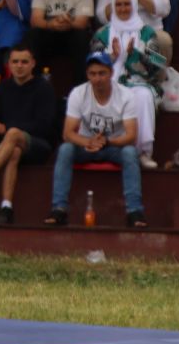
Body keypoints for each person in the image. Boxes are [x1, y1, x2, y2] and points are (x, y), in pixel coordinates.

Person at [47, 53, 147, 228]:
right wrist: (87, 142)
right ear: (87, 74)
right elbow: (68, 133)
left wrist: (107, 142)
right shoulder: (78, 93)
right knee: (65, 149)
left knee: (130, 153)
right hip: (86, 145)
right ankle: (59, 209)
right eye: (93, 74)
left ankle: (135, 212)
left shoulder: (126, 95)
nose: (97, 78)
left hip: (113, 146)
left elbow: (131, 136)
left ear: (111, 73)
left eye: (102, 73)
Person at [0, 44, 61, 224]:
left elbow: (45, 126)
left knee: (13, 133)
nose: (19, 65)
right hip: (11, 147)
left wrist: (7, 128)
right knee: (13, 150)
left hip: (40, 146)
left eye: (24, 61)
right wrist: (3, 130)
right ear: (9, 65)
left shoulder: (44, 87)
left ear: (33, 64)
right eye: (15, 61)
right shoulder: (3, 89)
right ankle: (6, 208)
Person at [87, 0, 165, 169]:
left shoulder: (147, 32)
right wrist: (111, 57)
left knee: (143, 96)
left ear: (135, 5)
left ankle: (143, 152)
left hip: (139, 81)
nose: (123, 8)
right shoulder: (103, 33)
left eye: (127, 4)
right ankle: (109, 149)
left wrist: (135, 54)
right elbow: (92, 63)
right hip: (107, 81)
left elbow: (158, 64)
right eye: (119, 4)